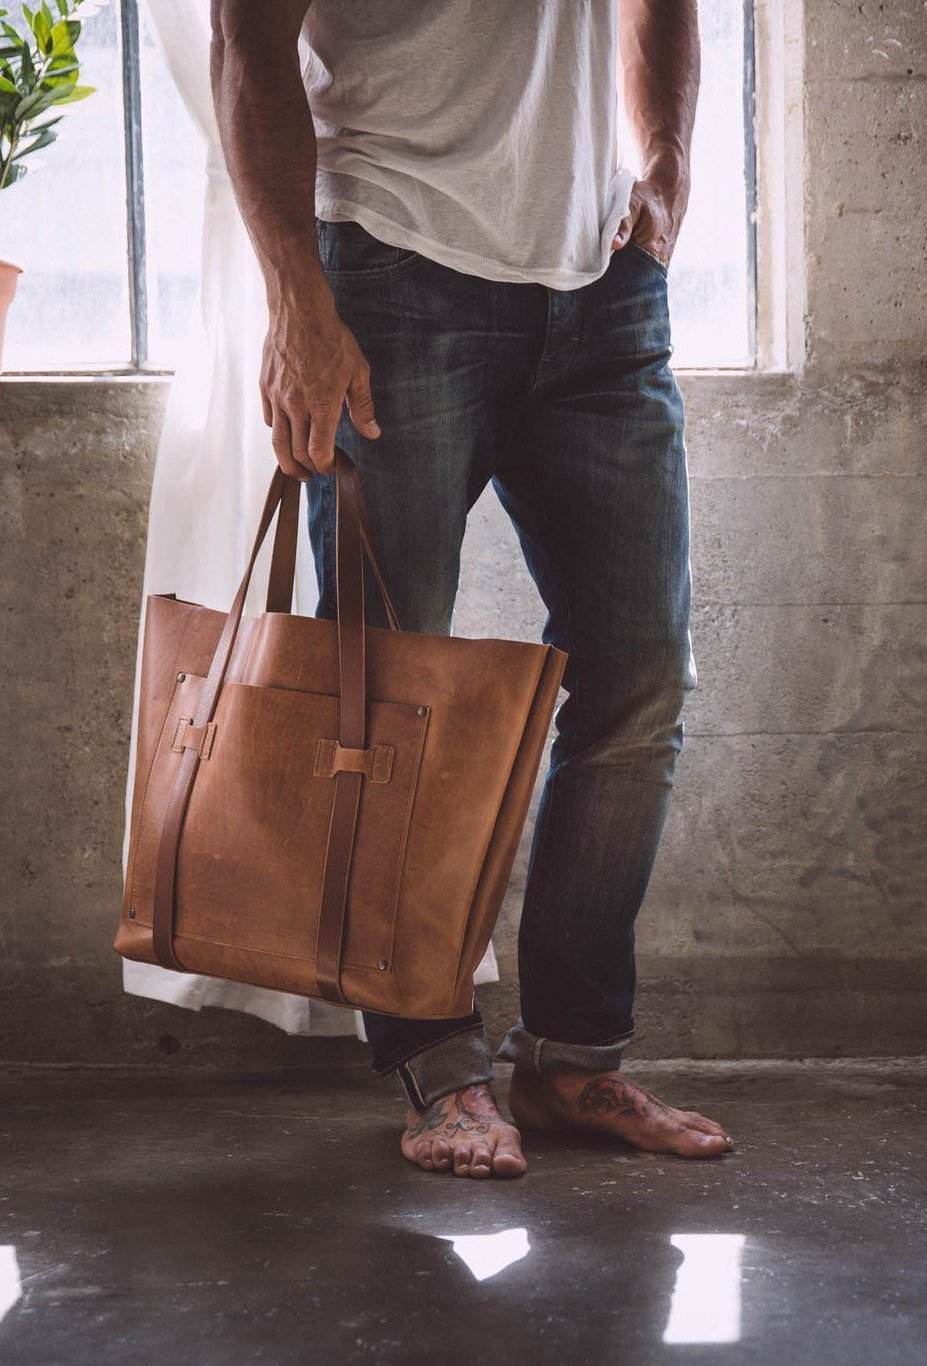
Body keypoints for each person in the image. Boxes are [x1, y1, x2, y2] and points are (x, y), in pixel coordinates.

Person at [209, 0, 734, 1178]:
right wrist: (296, 297)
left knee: (641, 678)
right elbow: (244, 39)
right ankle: (437, 1065)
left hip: (600, 285)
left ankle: (570, 1058)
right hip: (393, 274)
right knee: (387, 702)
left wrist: (666, 167)